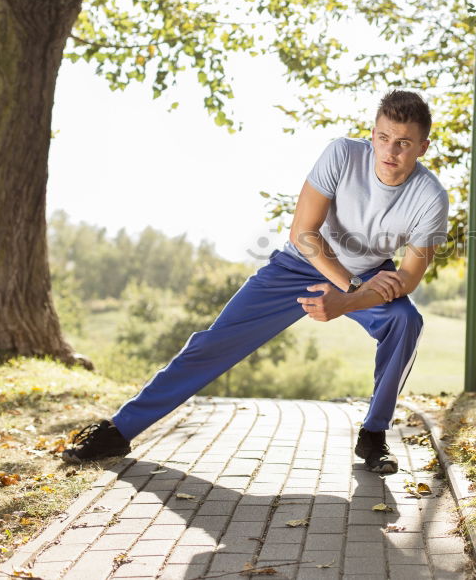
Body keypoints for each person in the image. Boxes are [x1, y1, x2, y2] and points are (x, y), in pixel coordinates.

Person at [62, 90, 449, 474]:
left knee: (405, 320)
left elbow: (408, 277)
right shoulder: (342, 155)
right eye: (383, 138)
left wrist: (348, 300)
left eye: (403, 143)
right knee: (214, 342)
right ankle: (119, 429)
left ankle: (374, 435)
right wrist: (347, 287)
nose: (390, 152)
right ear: (372, 135)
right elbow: (304, 232)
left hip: (368, 275)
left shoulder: (430, 197)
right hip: (299, 265)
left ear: (423, 147)